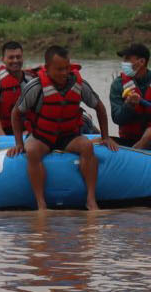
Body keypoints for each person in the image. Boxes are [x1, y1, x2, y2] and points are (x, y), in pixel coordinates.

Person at [12, 45, 119, 211]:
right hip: (42, 136)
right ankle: (41, 203)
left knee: (87, 146)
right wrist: (19, 143)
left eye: (67, 68)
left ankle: (91, 199)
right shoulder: (35, 86)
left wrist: (105, 137)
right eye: (59, 69)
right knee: (31, 150)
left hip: (69, 135)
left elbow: (100, 108)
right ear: (47, 68)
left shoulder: (79, 84)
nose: (64, 73)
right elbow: (16, 114)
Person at [0, 41, 33, 137]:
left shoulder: (31, 80)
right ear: (3, 60)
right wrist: (2, 136)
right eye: (11, 57)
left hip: (27, 129)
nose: (15, 60)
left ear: (23, 58)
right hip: (3, 130)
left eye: (18, 57)